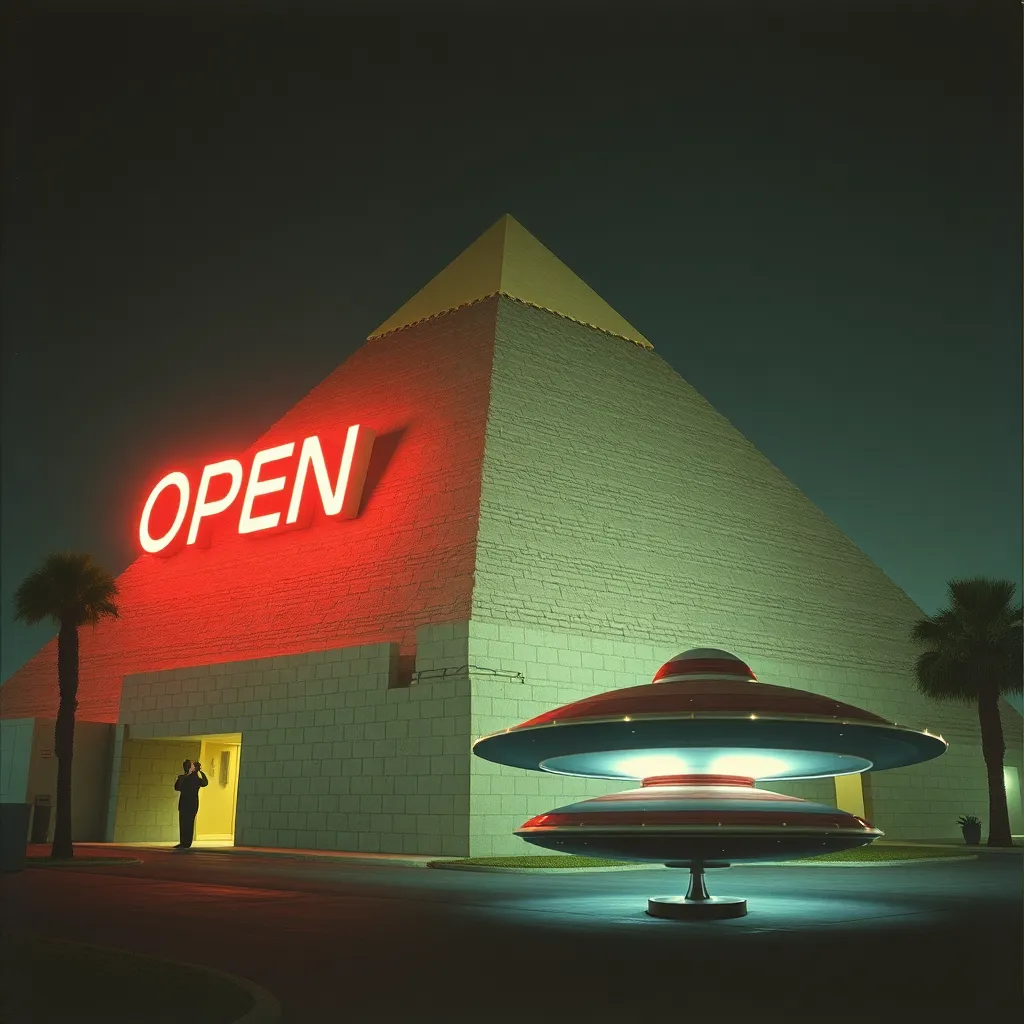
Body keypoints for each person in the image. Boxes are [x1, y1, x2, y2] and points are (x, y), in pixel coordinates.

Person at [173, 759, 208, 850]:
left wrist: (199, 771)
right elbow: (177, 787)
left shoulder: (194, 778)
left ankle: (186, 842)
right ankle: (183, 842)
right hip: (187, 803)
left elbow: (204, 783)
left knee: (188, 823)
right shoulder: (185, 778)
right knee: (184, 823)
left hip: (190, 803)